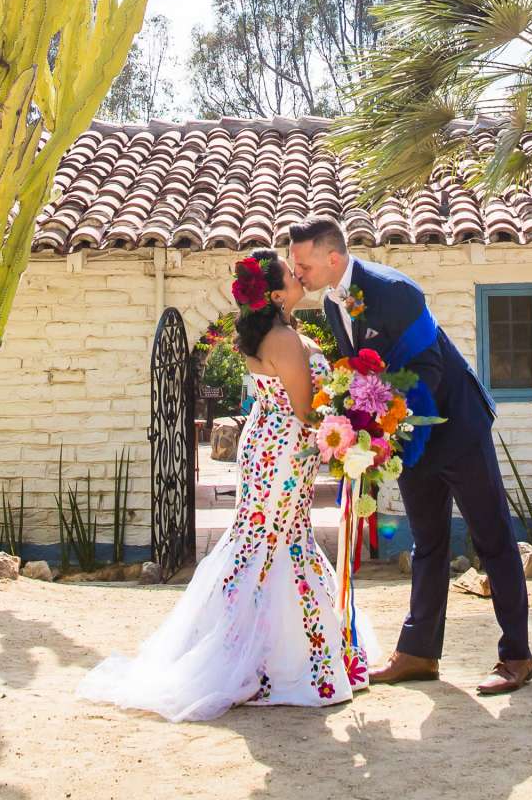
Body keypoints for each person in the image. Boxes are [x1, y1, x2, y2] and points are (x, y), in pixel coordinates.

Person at [78, 250, 372, 721]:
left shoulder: (273, 335)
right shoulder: (285, 340)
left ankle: (281, 655)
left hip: (270, 442)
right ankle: (276, 663)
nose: (299, 275)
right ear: (275, 295)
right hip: (285, 447)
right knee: (274, 541)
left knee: (270, 539)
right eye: (290, 274)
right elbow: (304, 410)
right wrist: (354, 426)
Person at [286, 217, 532, 696]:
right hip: (407, 436)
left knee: (492, 539)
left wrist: (390, 441)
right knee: (427, 543)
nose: (297, 272)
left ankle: (516, 656)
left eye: (303, 263)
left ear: (333, 258)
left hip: (456, 428)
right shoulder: (335, 305)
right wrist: (365, 433)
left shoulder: (396, 290)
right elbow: (359, 373)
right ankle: (419, 653)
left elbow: (428, 369)